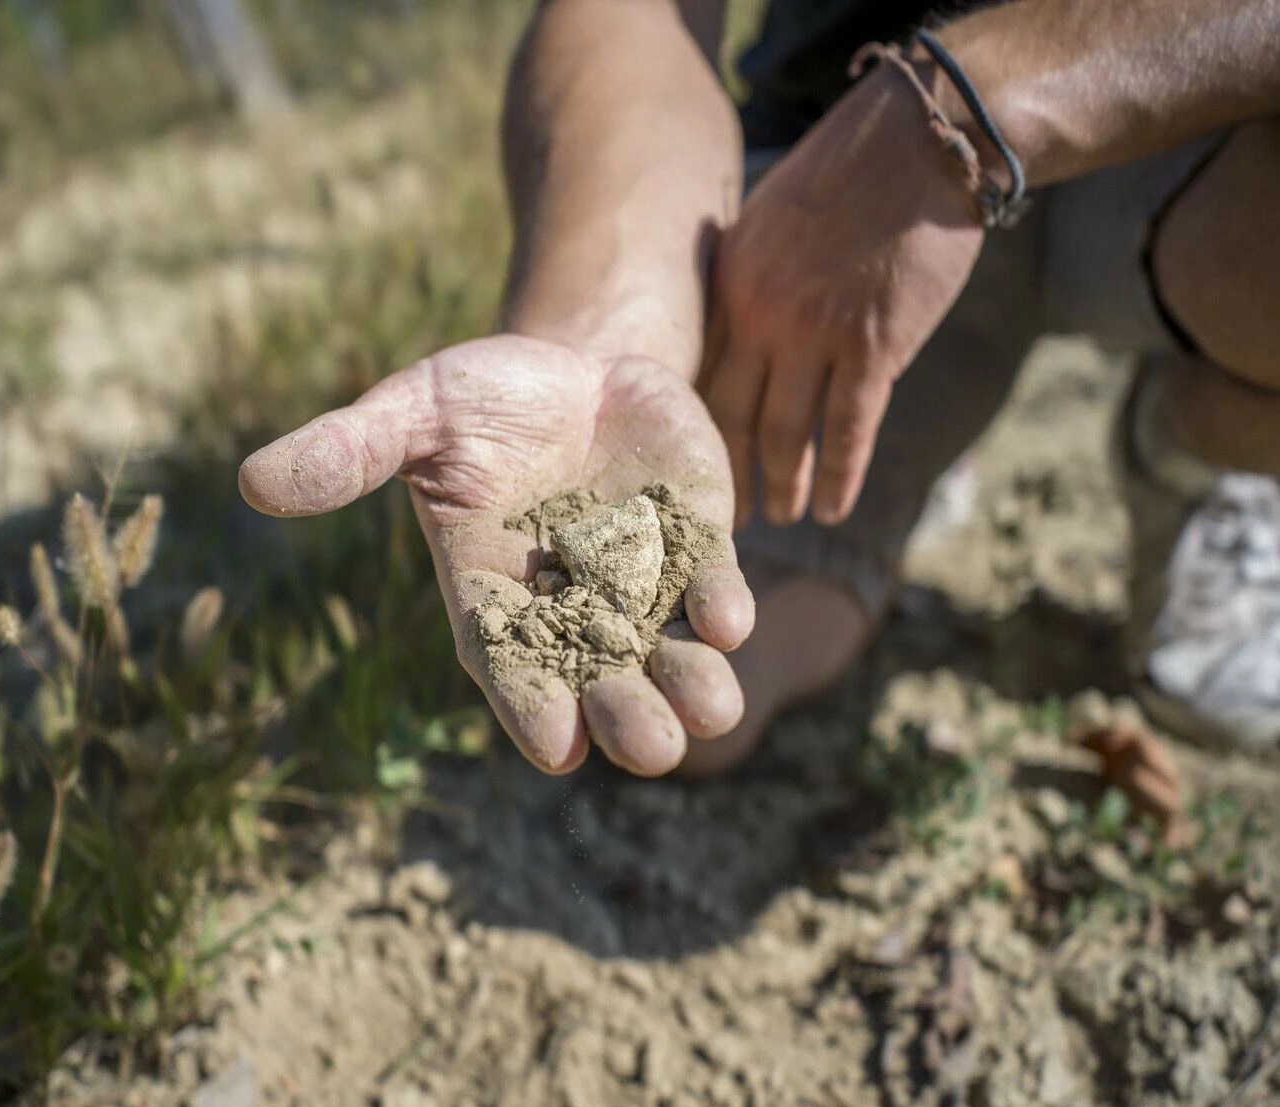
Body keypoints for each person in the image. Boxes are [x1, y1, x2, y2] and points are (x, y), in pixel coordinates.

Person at [239, 0, 1280, 778]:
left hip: (1197, 153)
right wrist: (602, 343)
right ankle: (886, 433)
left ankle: (1200, 441)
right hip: (825, 204)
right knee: (701, 694)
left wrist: (960, 113)